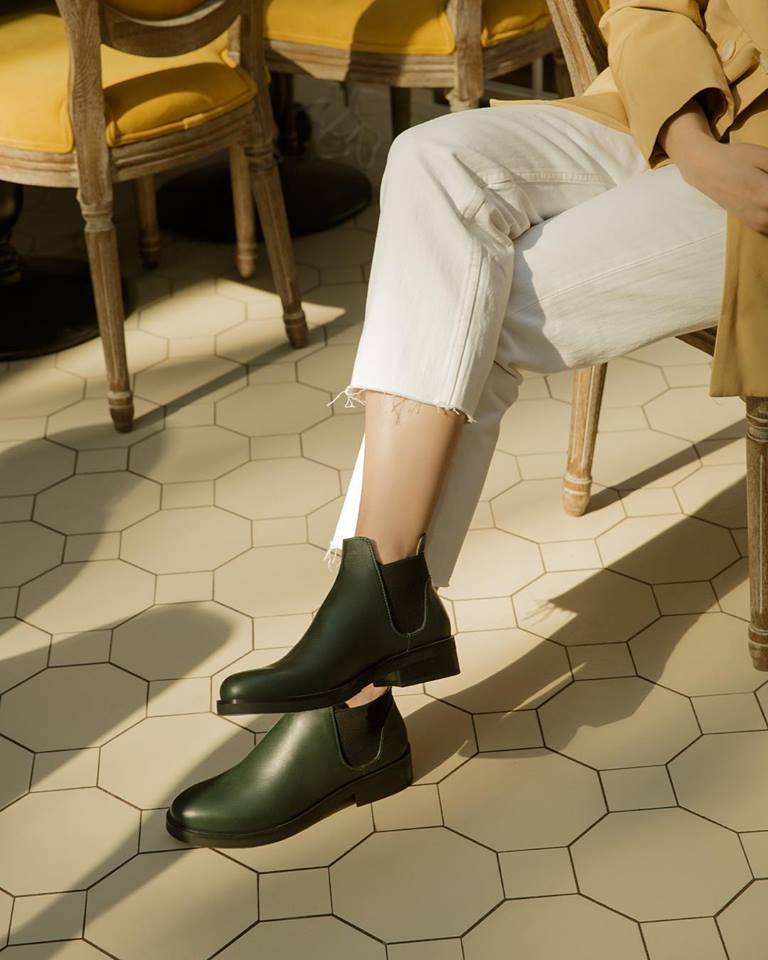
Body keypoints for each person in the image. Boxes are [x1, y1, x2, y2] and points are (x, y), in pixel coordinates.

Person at [165, 2, 768, 847]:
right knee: (431, 161)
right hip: (676, 103)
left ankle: (354, 700)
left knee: (464, 307)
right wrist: (693, 143)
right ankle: (377, 614)